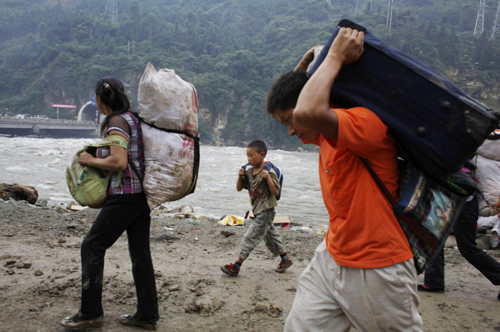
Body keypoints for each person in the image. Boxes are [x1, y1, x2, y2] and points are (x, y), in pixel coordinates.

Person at [266, 28, 423, 331]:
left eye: (289, 122)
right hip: (332, 256)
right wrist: (304, 68)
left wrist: (335, 55)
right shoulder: (325, 136)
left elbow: (309, 110)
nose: (292, 131)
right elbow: (303, 108)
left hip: (378, 265)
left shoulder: (365, 124)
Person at [61, 77, 159, 330]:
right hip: (141, 196)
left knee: (92, 246)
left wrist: (88, 160)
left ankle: (90, 313)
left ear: (98, 99)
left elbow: (119, 162)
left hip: (125, 195)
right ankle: (147, 315)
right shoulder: (132, 118)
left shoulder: (116, 122)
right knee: (140, 254)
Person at [220, 140, 293, 277]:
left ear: (262, 155)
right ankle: (285, 259)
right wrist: (240, 176)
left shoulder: (269, 172)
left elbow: (276, 192)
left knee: (250, 237)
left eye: (252, 155)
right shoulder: (249, 172)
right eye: (247, 155)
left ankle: (236, 266)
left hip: (266, 210)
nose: (249, 159)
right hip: (258, 209)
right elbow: (239, 188)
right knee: (270, 235)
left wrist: (268, 179)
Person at [419, 192, 500, 299]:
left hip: (463, 203)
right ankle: (433, 282)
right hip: (448, 201)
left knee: (468, 248)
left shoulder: (458, 176)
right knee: (434, 240)